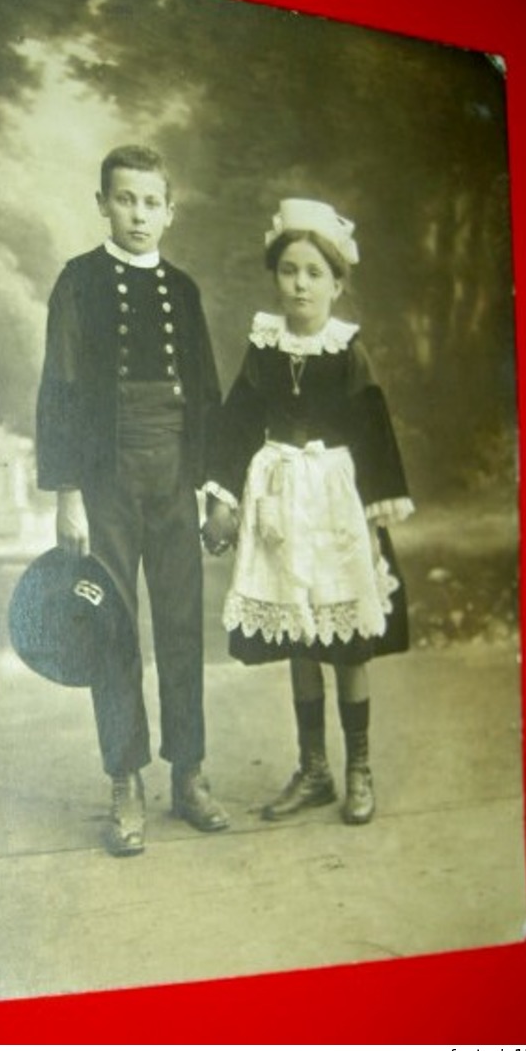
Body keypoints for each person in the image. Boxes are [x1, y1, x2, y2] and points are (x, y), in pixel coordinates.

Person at [36, 144, 230, 856]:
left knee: (182, 627)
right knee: (112, 629)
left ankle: (189, 772)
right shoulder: (78, 282)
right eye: (125, 199)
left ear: (169, 212)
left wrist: (213, 489)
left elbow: (205, 394)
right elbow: (58, 390)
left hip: (176, 477)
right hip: (106, 480)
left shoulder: (183, 289)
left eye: (151, 202)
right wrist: (67, 497)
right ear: (101, 204)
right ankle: (125, 780)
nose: (138, 214)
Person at [202, 198, 414, 826]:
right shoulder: (264, 346)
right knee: (299, 633)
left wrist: (375, 520)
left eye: (314, 273)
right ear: (276, 277)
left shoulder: (347, 351)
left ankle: (358, 769)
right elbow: (237, 421)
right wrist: (222, 497)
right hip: (280, 504)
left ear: (337, 284)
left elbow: (374, 431)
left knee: (346, 640)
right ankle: (314, 769)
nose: (300, 283)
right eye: (290, 270)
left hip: (335, 504)